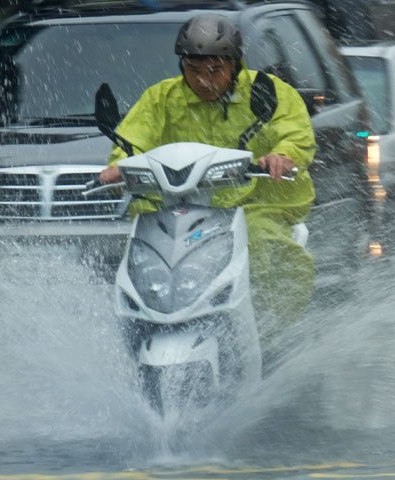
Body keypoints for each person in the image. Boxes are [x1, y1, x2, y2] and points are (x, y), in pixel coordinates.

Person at [99, 13, 317, 348]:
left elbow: (296, 134)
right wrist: (119, 167)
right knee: (142, 257)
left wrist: (282, 155)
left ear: (235, 66)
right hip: (178, 207)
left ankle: (267, 335)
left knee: (261, 244)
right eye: (194, 70)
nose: (204, 81)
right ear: (182, 66)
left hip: (254, 204)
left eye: (215, 71)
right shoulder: (161, 99)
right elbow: (134, 138)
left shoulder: (268, 91)